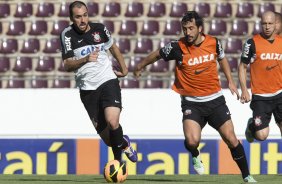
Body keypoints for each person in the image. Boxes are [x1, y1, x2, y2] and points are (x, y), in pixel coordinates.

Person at [134, 11, 256, 183]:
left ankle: (247, 176)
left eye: (191, 28)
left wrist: (230, 81)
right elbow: (156, 55)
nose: (188, 33)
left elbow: (222, 60)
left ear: (200, 28)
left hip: (215, 101)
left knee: (231, 138)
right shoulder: (177, 47)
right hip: (192, 103)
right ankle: (194, 154)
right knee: (192, 141)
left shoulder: (214, 43)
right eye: (185, 29)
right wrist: (139, 66)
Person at [59, 1, 137, 163]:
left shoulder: (100, 29)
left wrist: (124, 69)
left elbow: (113, 48)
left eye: (85, 15)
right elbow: (67, 65)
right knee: (109, 140)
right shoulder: (67, 35)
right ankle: (124, 143)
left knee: (112, 120)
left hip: (107, 80)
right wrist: (85, 59)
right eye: (78, 17)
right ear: (72, 18)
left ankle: (118, 162)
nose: (83, 20)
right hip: (87, 90)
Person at [239, 11, 282, 143]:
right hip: (261, 97)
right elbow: (242, 67)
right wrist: (244, 90)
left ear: (276, 24)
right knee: (262, 135)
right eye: (264, 23)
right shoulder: (251, 43)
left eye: (270, 23)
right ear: (260, 24)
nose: (267, 26)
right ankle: (252, 126)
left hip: (280, 93)